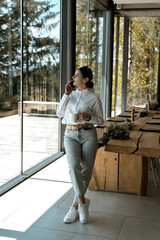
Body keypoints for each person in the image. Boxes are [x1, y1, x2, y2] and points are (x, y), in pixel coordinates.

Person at [56, 66, 104, 224]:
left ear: (85, 80)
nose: (73, 77)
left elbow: (100, 120)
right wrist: (66, 95)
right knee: (74, 166)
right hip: (70, 134)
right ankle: (83, 203)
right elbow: (59, 113)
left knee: (86, 170)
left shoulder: (93, 98)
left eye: (76, 75)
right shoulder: (70, 95)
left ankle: (75, 205)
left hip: (88, 134)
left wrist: (89, 116)